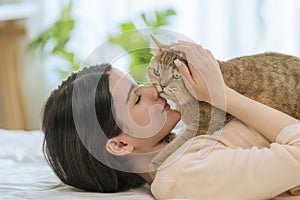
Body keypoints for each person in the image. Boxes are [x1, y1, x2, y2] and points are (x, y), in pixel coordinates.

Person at [42, 41, 300, 199]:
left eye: (140, 84)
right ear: (120, 145)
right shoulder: (182, 175)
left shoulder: (192, 138)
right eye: (137, 99)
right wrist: (223, 95)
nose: (153, 90)